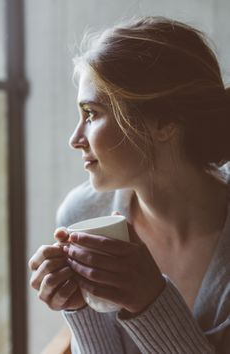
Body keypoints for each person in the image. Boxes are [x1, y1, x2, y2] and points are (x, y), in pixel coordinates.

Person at [29, 16, 230, 353]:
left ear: (164, 122)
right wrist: (79, 308)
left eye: (91, 114)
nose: (74, 139)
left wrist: (150, 302)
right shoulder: (84, 213)